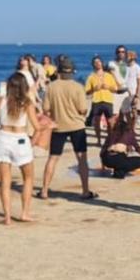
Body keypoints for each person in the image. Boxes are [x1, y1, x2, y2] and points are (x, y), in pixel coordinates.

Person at [0, 73, 40, 224]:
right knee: (28, 178)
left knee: (4, 181)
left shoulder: (1, 101)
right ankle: (24, 213)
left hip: (3, 138)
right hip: (20, 139)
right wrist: (31, 144)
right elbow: (37, 128)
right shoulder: (27, 103)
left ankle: (7, 217)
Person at [39, 57, 96, 200]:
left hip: (58, 126)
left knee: (53, 158)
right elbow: (83, 109)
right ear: (72, 72)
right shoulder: (77, 87)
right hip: (77, 126)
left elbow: (45, 108)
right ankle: (85, 190)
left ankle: (44, 190)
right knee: (82, 159)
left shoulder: (51, 87)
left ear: (58, 70)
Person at [84, 56, 118, 146]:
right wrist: (94, 89)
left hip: (108, 100)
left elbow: (115, 89)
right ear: (93, 65)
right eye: (95, 62)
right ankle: (98, 140)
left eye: (99, 62)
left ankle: (110, 140)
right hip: (96, 101)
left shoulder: (109, 76)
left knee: (110, 122)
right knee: (97, 122)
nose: (98, 63)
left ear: (102, 63)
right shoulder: (91, 77)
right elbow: (86, 92)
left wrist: (108, 87)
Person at [100, 112, 140, 178]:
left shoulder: (112, 133)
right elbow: (138, 148)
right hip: (119, 158)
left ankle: (119, 171)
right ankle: (121, 170)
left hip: (107, 159)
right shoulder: (129, 132)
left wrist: (103, 165)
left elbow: (102, 151)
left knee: (120, 171)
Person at [108, 45, 130, 113]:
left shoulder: (127, 65)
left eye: (123, 52)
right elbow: (112, 75)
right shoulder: (112, 64)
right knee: (115, 113)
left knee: (127, 113)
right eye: (119, 52)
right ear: (116, 53)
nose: (121, 53)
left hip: (125, 91)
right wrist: (118, 84)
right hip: (116, 92)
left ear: (125, 53)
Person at [125, 51, 140, 118]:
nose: (125, 57)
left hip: (133, 93)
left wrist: (137, 95)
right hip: (125, 92)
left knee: (133, 110)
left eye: (127, 56)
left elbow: (139, 83)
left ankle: (133, 126)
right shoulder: (125, 67)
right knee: (125, 111)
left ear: (132, 57)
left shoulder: (137, 68)